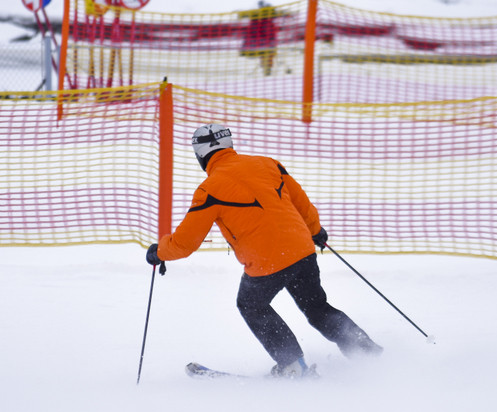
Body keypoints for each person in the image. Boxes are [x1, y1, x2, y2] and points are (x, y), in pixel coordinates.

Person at [146, 123, 382, 378]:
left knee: (251, 305)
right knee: (317, 308)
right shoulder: (268, 164)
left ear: (200, 156)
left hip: (266, 262)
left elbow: (185, 242)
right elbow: (301, 203)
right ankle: (367, 353)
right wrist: (315, 231)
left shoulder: (209, 190)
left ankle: (293, 366)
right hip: (302, 250)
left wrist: (159, 252)